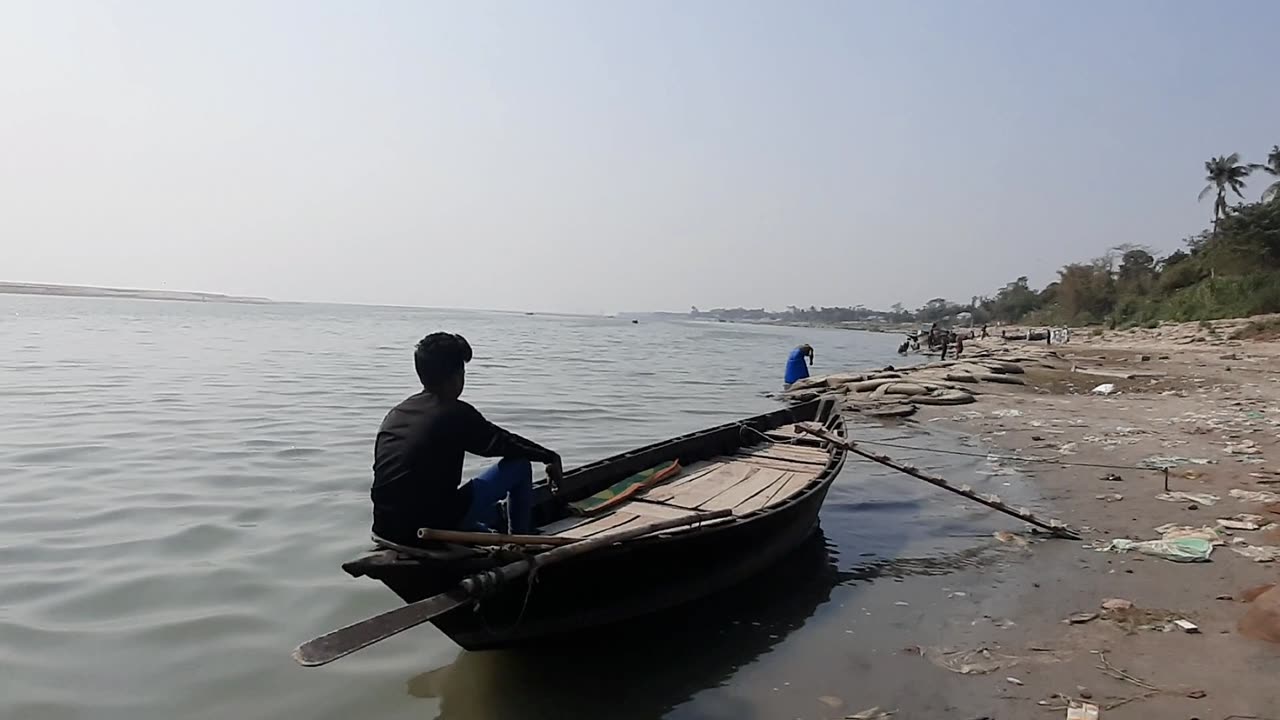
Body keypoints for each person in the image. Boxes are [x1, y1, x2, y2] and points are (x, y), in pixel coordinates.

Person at [371, 332, 562, 544]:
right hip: (429, 527)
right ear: (456, 375)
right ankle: (521, 540)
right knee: (519, 464)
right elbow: (505, 443)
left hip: (384, 528)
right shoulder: (454, 412)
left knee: (475, 516)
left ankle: (480, 531)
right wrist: (549, 457)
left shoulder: (395, 415)